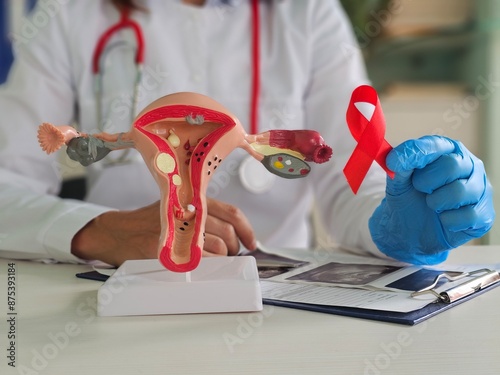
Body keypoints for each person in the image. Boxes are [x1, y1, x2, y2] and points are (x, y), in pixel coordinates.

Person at [0, 0, 494, 268]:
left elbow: (352, 185)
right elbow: (6, 188)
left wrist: (395, 223)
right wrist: (102, 229)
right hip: (120, 279)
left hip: (281, 298)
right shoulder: (68, 16)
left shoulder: (309, 15)